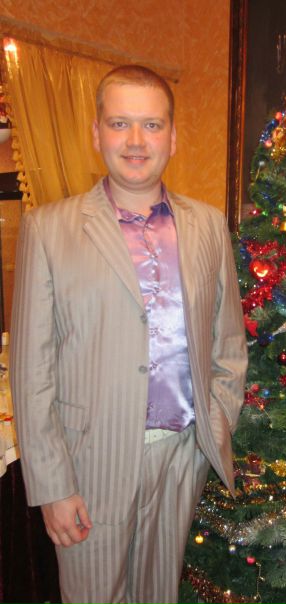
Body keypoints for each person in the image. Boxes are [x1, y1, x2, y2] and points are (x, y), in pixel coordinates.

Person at [10, 64, 248, 604]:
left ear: (172, 137)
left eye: (151, 125)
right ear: (97, 134)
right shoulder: (48, 229)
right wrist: (53, 485)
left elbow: (228, 345)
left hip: (181, 456)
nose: (136, 141)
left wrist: (214, 425)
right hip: (88, 465)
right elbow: (32, 372)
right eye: (120, 124)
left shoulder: (208, 225)